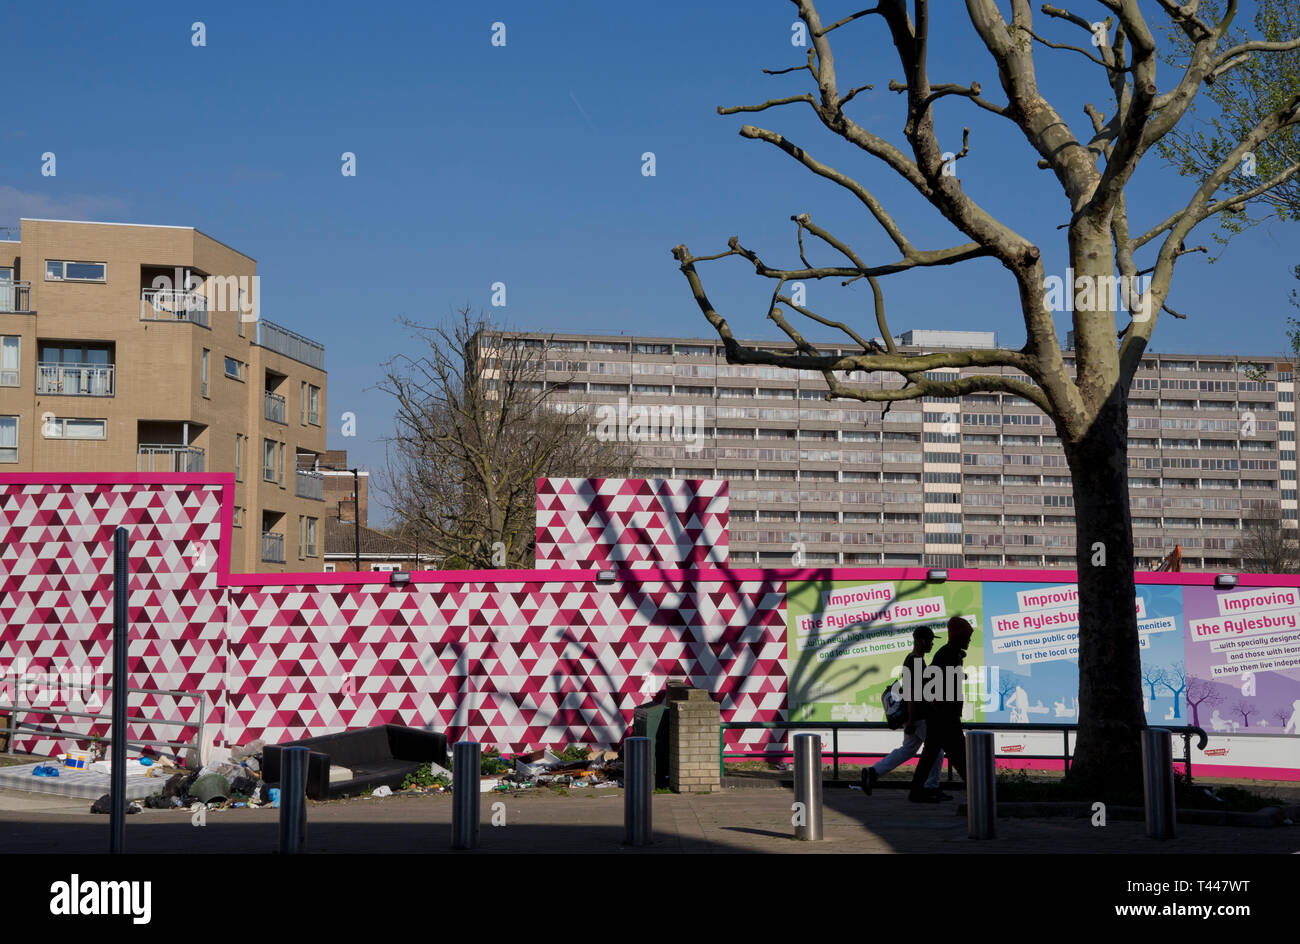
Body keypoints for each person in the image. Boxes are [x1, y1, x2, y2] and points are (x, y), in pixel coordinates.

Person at [861, 627, 950, 799]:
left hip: (916, 715)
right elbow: (911, 692)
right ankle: (930, 787)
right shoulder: (915, 662)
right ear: (920, 641)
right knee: (936, 750)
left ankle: (872, 772)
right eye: (930, 640)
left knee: (907, 749)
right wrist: (910, 720)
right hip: (918, 716)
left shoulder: (914, 660)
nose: (932, 644)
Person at [908, 615, 974, 803]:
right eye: (967, 636)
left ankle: (916, 791)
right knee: (961, 757)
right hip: (945, 716)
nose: (969, 640)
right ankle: (979, 791)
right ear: (959, 636)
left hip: (941, 715)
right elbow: (933, 681)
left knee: (931, 755)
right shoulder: (949, 654)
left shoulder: (950, 653)